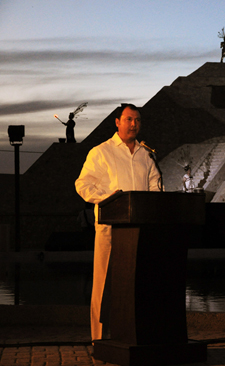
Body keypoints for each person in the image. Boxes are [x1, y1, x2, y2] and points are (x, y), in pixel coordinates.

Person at [75, 103, 161, 341]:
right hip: (111, 230)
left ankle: (134, 335)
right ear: (117, 122)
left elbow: (155, 186)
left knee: (137, 286)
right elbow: (82, 184)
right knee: (104, 285)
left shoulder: (146, 154)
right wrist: (109, 200)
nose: (134, 124)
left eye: (137, 120)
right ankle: (99, 339)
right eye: (129, 119)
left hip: (139, 231)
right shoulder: (101, 152)